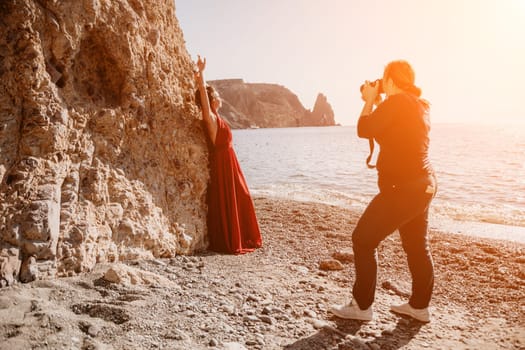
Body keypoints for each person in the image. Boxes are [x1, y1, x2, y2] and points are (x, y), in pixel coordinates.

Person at [330, 60, 437, 322]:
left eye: (383, 79)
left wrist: (368, 100)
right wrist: (378, 100)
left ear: (390, 80)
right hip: (425, 185)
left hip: (402, 189)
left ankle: (361, 307)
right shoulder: (419, 105)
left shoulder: (397, 103)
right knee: (416, 246)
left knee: (363, 240)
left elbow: (364, 128)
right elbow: (392, 130)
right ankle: (419, 307)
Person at [193, 55, 263, 254]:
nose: (218, 97)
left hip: (230, 162)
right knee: (239, 197)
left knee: (243, 196)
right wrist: (201, 76)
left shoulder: (218, 117)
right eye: (215, 95)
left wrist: (200, 76)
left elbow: (205, 98)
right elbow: (204, 102)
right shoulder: (211, 118)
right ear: (213, 99)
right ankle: (233, 238)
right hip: (222, 162)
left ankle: (242, 235)